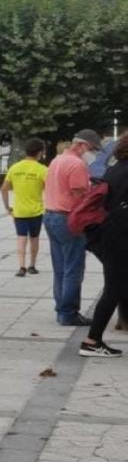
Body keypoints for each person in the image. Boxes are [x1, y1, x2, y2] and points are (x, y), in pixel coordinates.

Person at [42, 128, 103, 327]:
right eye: (92, 149)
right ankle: (69, 313)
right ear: (82, 145)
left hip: (50, 215)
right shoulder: (77, 164)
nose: (92, 154)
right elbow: (80, 196)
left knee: (60, 266)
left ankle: (61, 308)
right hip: (67, 219)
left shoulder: (57, 160)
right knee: (73, 268)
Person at [81, 131, 128, 359]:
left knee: (117, 286)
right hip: (119, 238)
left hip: (109, 236)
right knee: (114, 289)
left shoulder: (115, 169)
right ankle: (92, 340)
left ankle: (95, 339)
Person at [1, 139, 47, 277]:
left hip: (19, 211)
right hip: (36, 210)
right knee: (34, 238)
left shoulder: (14, 168)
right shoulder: (43, 170)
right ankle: (32, 265)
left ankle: (21, 266)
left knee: (21, 238)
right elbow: (49, 189)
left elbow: (4, 189)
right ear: (39, 153)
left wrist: (7, 207)